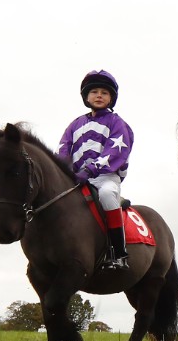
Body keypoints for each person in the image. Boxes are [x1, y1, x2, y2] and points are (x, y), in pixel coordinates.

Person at [57, 70, 135, 270]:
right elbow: (64, 148)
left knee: (108, 194)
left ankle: (119, 253)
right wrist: (64, 171)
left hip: (105, 177)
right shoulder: (75, 124)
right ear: (86, 97)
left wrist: (90, 170)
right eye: (94, 92)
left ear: (111, 98)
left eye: (104, 92)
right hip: (77, 178)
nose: (99, 95)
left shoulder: (117, 123)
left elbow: (115, 151)